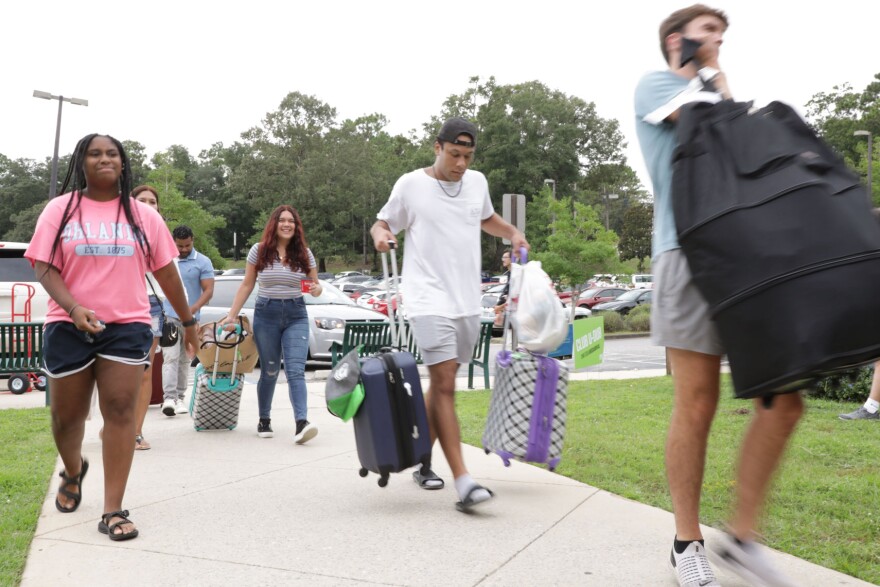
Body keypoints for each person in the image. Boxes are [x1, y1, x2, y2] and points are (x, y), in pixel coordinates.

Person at [635, 6, 803, 586]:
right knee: (698, 402)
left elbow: (749, 151)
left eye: (724, 37)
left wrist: (723, 82)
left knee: (785, 402)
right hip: (683, 251)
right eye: (709, 34)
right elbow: (707, 127)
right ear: (676, 40)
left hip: (743, 257)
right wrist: (714, 76)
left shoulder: (717, 91)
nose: (719, 43)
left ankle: (742, 537)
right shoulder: (657, 85)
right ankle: (687, 544)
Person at [25, 133, 198, 541]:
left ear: (123, 163)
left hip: (127, 325)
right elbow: (44, 266)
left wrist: (189, 323)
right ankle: (72, 470)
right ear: (81, 162)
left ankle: (113, 509)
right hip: (67, 325)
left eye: (112, 154)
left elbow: (167, 273)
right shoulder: (59, 210)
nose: (104, 159)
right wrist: (73, 308)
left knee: (120, 411)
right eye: (94, 153)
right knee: (66, 419)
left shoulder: (143, 216)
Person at [371, 117, 528, 511]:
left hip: (465, 301)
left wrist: (512, 232)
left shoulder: (477, 182)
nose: (461, 164)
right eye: (455, 154)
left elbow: (484, 217)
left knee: (441, 386)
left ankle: (421, 460)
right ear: (437, 147)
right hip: (427, 298)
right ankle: (464, 481)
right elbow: (384, 220)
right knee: (444, 385)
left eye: (468, 156)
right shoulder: (411, 184)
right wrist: (381, 235)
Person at [220, 205, 321, 442]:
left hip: (296, 313)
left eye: (291, 221)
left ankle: (301, 423)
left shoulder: (304, 253)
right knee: (271, 370)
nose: (287, 224)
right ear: (274, 224)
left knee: (296, 370)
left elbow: (314, 288)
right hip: (266, 314)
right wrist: (231, 315)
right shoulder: (259, 251)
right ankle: (264, 419)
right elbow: (247, 284)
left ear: (296, 226)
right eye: (282, 220)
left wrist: (317, 289)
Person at [161, 225, 214, 416]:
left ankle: (180, 398)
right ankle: (168, 398)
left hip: (191, 320)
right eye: (179, 246)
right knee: (170, 357)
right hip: (168, 317)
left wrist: (190, 310)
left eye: (187, 245)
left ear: (193, 240)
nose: (183, 249)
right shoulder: (166, 260)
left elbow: (208, 291)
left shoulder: (203, 262)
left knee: (184, 359)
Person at [131, 185, 165, 449]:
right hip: (120, 305)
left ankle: (135, 432)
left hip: (152, 305)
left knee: (145, 371)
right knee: (115, 372)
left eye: (152, 201)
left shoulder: (160, 234)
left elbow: (170, 277)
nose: (147, 204)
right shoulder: (115, 232)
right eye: (141, 200)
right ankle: (116, 426)